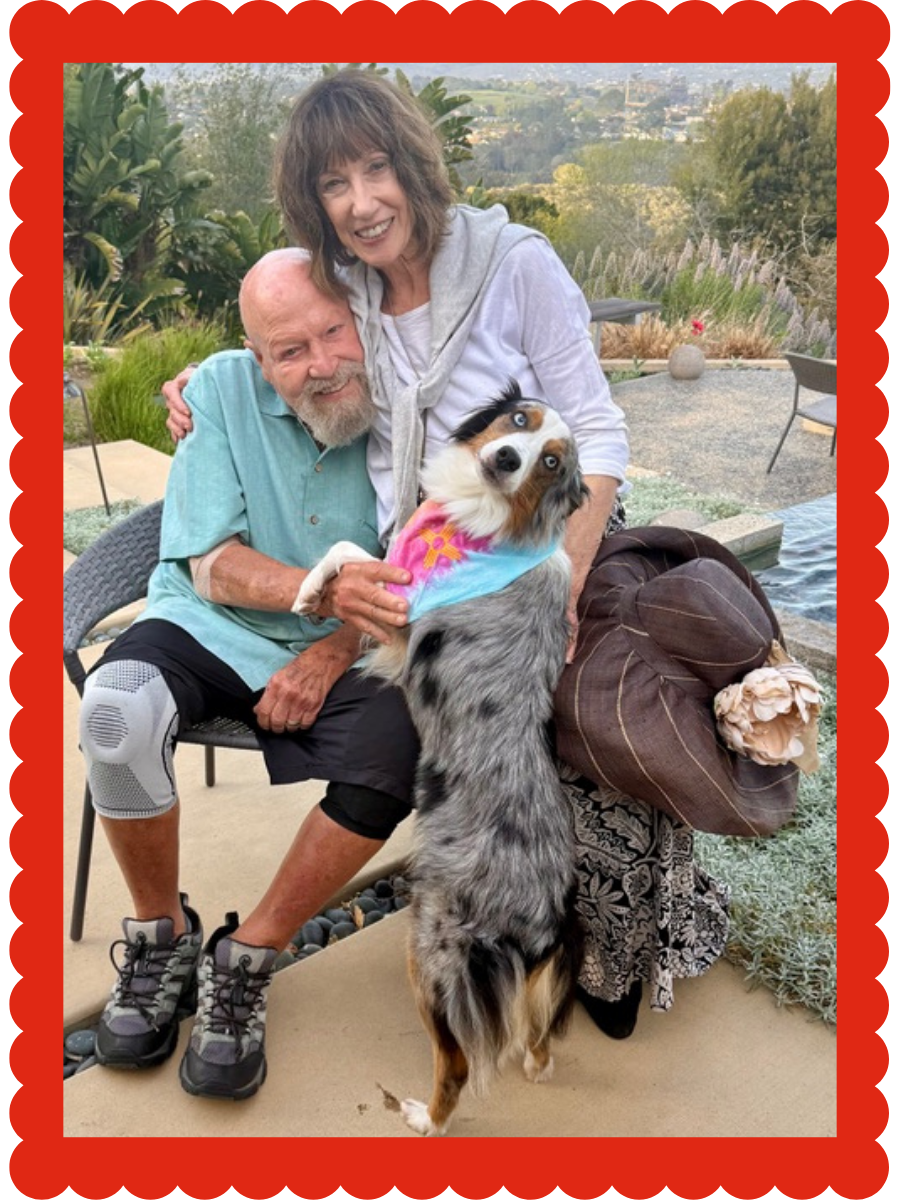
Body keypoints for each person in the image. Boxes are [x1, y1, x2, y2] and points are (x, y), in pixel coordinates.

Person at [165, 69, 728, 1039]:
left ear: (412, 166)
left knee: (584, 720)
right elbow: (274, 328)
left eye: (376, 170)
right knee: (470, 754)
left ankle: (619, 948)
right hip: (431, 555)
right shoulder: (348, 286)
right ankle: (515, 934)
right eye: (334, 186)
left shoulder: (515, 264)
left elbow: (597, 432)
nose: (361, 202)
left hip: (554, 529)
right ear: (315, 204)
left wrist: (565, 585)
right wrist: (201, 384)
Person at [79, 248, 418, 1101]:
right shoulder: (220, 391)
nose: (322, 364)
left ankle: (249, 954)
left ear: (361, 318)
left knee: (404, 747)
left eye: (332, 333)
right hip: (210, 619)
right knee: (116, 713)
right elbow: (213, 568)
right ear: (256, 354)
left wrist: (336, 643)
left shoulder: (415, 400)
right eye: (289, 350)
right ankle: (162, 939)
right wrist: (324, 591)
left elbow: (422, 571)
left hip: (349, 640)